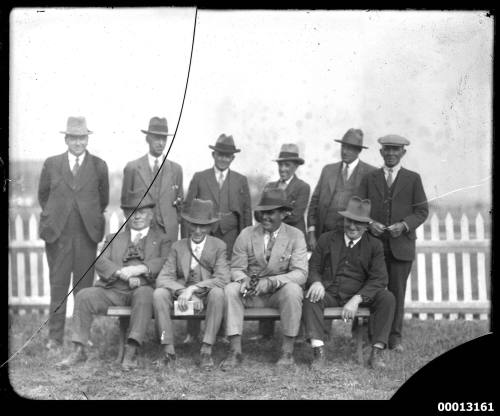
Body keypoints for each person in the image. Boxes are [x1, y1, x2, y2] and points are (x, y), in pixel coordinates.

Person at [56, 193, 171, 370]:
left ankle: (131, 352)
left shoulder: (162, 239)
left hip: (142, 290)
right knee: (84, 296)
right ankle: (79, 350)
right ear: (126, 214)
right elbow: (100, 261)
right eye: (132, 211)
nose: (137, 216)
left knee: (144, 294)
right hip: (114, 290)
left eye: (142, 211)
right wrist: (121, 273)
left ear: (151, 214)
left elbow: (164, 261)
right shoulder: (113, 238)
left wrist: (139, 269)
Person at [38, 116, 109, 352]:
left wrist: (88, 219)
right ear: (66, 139)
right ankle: (54, 339)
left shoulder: (99, 166)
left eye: (82, 138)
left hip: (86, 236)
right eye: (74, 138)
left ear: (87, 139)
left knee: (83, 289)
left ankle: (81, 338)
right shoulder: (51, 164)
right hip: (58, 236)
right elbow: (43, 196)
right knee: (58, 287)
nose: (78, 142)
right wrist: (58, 218)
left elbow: (103, 200)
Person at [302, 196, 395, 369]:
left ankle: (377, 353)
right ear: (344, 220)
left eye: (358, 223)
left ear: (367, 225)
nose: (352, 226)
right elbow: (313, 267)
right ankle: (318, 351)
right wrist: (316, 282)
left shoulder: (374, 245)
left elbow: (380, 278)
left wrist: (357, 299)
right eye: (349, 221)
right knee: (310, 298)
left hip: (359, 295)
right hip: (330, 293)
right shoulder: (327, 238)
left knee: (387, 298)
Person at [222, 188, 308, 369]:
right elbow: (236, 268)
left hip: (278, 295)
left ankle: (287, 352)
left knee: (293, 290)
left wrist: (271, 282)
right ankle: (235, 351)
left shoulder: (296, 235)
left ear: (284, 214)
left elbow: (300, 273)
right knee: (230, 289)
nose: (265, 217)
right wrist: (244, 281)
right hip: (251, 295)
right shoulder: (246, 234)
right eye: (262, 212)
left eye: (271, 213)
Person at [357, 135, 428, 352]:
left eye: (395, 150)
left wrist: (404, 226)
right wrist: (370, 224)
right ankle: (374, 336)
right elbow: (358, 209)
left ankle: (395, 338)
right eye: (386, 149)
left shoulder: (413, 178)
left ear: (403, 153)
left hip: (401, 246)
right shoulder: (370, 178)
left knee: (397, 292)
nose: (390, 153)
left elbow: (422, 211)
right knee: (374, 289)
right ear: (380, 152)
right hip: (374, 246)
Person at [153, 199, 231, 370]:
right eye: (194, 225)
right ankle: (168, 351)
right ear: (187, 224)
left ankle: (206, 350)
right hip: (182, 297)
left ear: (210, 227)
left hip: (206, 296)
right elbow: (163, 278)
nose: (197, 230)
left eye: (203, 226)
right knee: (159, 294)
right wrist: (183, 291)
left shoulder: (219, 246)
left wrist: (193, 289)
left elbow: (223, 278)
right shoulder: (178, 247)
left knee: (218, 293)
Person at [183, 134, 252, 259]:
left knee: (227, 270)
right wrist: (186, 242)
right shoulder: (200, 177)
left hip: (231, 237)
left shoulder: (240, 180)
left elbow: (246, 213)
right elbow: (187, 211)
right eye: (220, 155)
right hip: (204, 235)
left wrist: (246, 242)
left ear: (233, 158)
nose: (223, 159)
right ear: (213, 155)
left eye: (227, 156)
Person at [307, 128, 376, 251]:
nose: (344, 151)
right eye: (343, 147)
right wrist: (312, 232)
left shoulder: (371, 173)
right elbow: (314, 203)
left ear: (359, 150)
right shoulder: (328, 170)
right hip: (324, 235)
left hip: (353, 238)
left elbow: (375, 207)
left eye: (350, 148)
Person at [121, 116, 183, 243]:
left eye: (164, 138)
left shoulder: (175, 169)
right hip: (140, 232)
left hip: (167, 234)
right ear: (147, 139)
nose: (161, 143)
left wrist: (171, 223)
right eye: (156, 138)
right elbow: (125, 203)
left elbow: (180, 205)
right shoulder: (132, 168)